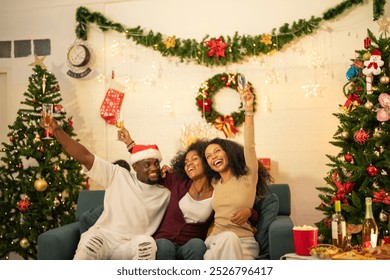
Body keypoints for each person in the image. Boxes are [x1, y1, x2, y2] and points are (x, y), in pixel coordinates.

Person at [39, 117, 170, 260]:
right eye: (147, 164)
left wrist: (172, 173)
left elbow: (192, 182)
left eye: (156, 164)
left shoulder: (165, 192)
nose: (154, 168)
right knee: (90, 242)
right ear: (135, 167)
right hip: (104, 238)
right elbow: (84, 156)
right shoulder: (117, 175)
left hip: (130, 244)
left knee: (147, 244)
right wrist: (57, 130)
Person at [117, 128, 258, 260]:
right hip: (165, 240)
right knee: (164, 246)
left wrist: (250, 212)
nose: (189, 163)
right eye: (186, 162)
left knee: (197, 245)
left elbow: (234, 207)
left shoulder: (218, 187)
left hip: (192, 244)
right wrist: (130, 144)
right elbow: (149, 172)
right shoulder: (177, 181)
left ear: (206, 162)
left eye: (194, 159)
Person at [203, 86, 263, 260]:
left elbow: (250, 146)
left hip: (244, 243)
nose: (213, 157)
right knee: (224, 242)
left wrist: (249, 110)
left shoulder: (248, 177)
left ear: (227, 152)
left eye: (217, 151)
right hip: (216, 241)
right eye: (208, 157)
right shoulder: (214, 184)